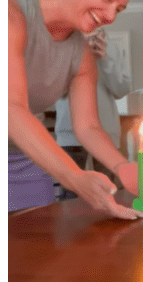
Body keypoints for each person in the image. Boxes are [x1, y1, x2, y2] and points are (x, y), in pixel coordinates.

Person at [8, 0, 142, 219]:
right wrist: (75, 177)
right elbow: (12, 108)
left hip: (28, 155)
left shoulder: (81, 51)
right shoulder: (13, 11)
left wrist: (122, 167)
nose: (109, 16)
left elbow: (89, 126)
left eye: (118, 9)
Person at [55, 29, 133, 196]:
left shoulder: (110, 46)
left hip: (106, 132)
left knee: (109, 191)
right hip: (69, 131)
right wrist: (75, 59)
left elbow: (121, 90)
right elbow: (54, 91)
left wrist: (106, 60)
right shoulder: (59, 44)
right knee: (70, 193)